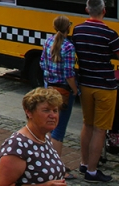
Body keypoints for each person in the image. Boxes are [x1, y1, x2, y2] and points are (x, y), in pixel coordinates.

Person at [72, 0, 119, 183]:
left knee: (87, 124)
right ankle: (92, 171)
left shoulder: (77, 30)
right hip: (105, 85)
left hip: (86, 84)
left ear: (87, 10)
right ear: (104, 11)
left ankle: (84, 162)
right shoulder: (110, 34)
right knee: (101, 129)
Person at [0, 88, 67, 185]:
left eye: (55, 110)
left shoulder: (44, 138)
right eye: (46, 110)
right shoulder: (17, 145)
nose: (53, 115)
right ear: (29, 112)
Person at [40, 16, 79, 164]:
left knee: (50, 125)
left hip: (49, 86)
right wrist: (75, 90)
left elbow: (42, 63)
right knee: (59, 130)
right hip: (62, 90)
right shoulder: (68, 46)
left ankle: (47, 160)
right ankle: (55, 165)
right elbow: (69, 73)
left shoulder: (49, 41)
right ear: (68, 28)